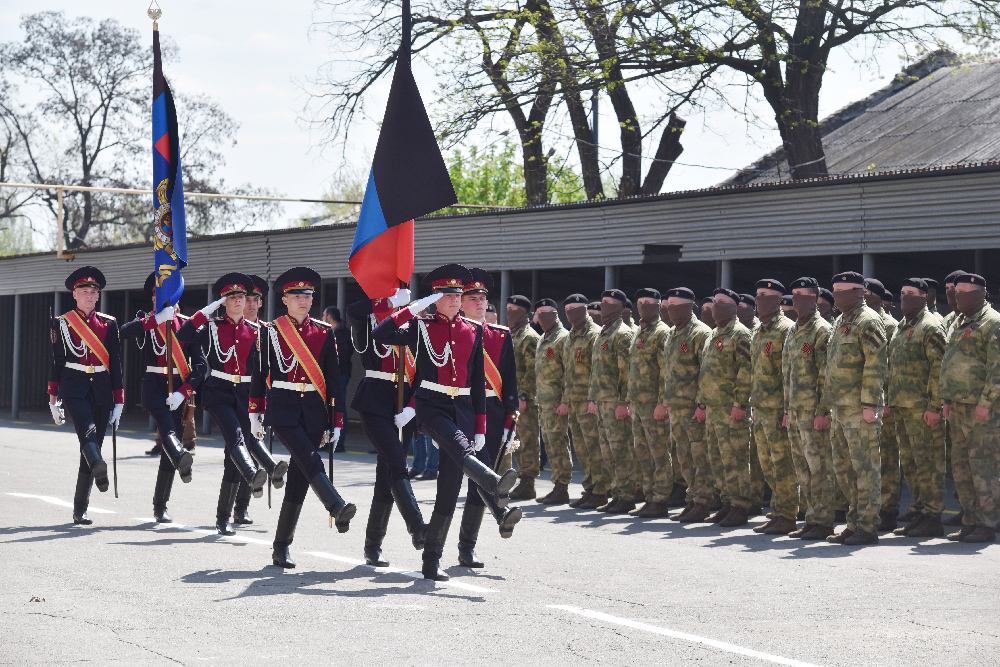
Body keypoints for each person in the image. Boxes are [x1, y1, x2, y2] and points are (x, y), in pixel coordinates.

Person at [372, 264, 517, 581]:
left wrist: (480, 427)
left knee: (449, 491)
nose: (454, 299)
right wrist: (412, 309)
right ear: (435, 299)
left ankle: (431, 560)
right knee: (457, 445)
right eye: (447, 295)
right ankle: (491, 481)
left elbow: (477, 383)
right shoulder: (421, 327)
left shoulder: (473, 330)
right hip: (431, 406)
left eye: (457, 294)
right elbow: (380, 334)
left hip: (463, 408)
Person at [251, 267, 355, 569]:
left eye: (307, 295)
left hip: (313, 409)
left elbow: (333, 381)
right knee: (310, 459)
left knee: (299, 479)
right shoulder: (270, 331)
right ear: (285, 299)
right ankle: (335, 505)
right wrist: (255, 411)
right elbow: (259, 374)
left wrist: (336, 420)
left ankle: (281, 548)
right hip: (282, 408)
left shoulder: (323, 332)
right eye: (296, 295)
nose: (303, 300)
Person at [176, 273, 269, 535]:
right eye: (233, 297)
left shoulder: (257, 331)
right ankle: (250, 476)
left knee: (234, 456)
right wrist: (205, 312)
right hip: (219, 392)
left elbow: (262, 371)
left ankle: (226, 516)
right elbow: (183, 334)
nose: (239, 301)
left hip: (246, 394)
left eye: (242, 297)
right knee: (236, 438)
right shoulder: (212, 326)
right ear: (224, 302)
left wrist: (262, 405)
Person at [347, 291, 427, 567]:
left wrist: (413, 408)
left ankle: (373, 546)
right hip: (375, 398)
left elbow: (424, 371)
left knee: (386, 477)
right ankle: (417, 527)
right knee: (396, 462)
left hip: (404, 403)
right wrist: (389, 303)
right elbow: (353, 310)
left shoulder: (414, 325)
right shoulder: (370, 320)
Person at [120, 273, 208, 524]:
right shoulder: (146, 321)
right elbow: (122, 332)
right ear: (153, 298)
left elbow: (200, 366)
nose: (165, 300)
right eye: (159, 296)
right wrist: (155, 320)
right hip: (154, 386)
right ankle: (181, 458)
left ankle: (161, 505)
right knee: (167, 430)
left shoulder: (187, 325)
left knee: (171, 444)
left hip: (179, 387)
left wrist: (184, 391)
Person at [455, 269, 522, 568]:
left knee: (478, 481)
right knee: (477, 472)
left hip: (493, 411)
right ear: (461, 303)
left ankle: (467, 547)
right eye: (473, 298)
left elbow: (510, 382)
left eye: (483, 298)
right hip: (463, 409)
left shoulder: (500, 335)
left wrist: (510, 421)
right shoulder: (455, 333)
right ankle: (500, 515)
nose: (480, 303)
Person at [48, 266, 125, 525]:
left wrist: (119, 400)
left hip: (102, 386)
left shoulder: (109, 323)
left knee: (91, 446)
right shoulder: (62, 323)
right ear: (74, 294)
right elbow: (56, 363)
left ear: (98, 296)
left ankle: (80, 508)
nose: (90, 296)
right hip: (73, 386)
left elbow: (115, 363)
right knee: (87, 431)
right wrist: (53, 399)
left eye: (94, 292)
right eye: (84, 291)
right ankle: (99, 466)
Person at [825, 271, 888, 546]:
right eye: (834, 290)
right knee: (844, 469)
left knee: (865, 469)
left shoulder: (868, 320)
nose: (836, 296)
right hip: (840, 408)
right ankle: (854, 522)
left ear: (858, 292)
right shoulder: (840, 321)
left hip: (860, 409)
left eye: (842, 291)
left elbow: (876, 364)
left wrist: (870, 404)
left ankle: (868, 526)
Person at [938, 272, 1000, 543]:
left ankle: (987, 524)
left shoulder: (992, 322)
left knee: (983, 468)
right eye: (957, 292)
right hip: (958, 407)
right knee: (961, 468)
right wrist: (947, 400)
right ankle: (970, 521)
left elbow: (997, 369)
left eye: (965, 292)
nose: (959, 296)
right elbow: (950, 363)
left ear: (980, 294)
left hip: (981, 409)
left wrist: (986, 403)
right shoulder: (960, 322)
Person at [888, 278, 947, 538]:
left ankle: (933, 517)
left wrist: (934, 405)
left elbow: (939, 368)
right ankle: (921, 510)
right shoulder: (902, 326)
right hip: (903, 406)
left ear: (924, 297)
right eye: (902, 293)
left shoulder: (930, 326)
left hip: (922, 408)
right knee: (911, 464)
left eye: (911, 293)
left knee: (928, 464)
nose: (905, 297)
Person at [230, 274, 289, 527]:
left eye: (256, 300)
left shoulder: (268, 332)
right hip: (236, 393)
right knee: (240, 448)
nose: (251, 304)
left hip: (259, 396)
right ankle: (236, 506)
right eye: (248, 299)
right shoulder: (234, 328)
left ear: (261, 303)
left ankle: (242, 506)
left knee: (249, 447)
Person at [783, 277, 835, 540]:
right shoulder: (794, 330)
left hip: (813, 412)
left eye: (801, 295)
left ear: (814, 298)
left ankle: (824, 520)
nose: (796, 299)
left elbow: (826, 375)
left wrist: (823, 411)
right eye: (793, 294)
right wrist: (786, 410)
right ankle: (811, 517)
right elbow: (787, 373)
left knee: (819, 468)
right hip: (794, 410)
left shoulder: (822, 330)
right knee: (803, 469)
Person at [697, 288, 753, 527]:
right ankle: (727, 502)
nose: (716, 306)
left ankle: (740, 506)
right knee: (718, 458)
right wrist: (702, 402)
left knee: (735, 459)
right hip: (713, 407)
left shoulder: (740, 334)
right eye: (714, 301)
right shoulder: (714, 334)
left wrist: (740, 404)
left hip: (730, 408)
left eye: (722, 302)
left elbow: (746, 371)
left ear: (734, 307)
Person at [659, 288, 714, 522]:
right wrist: (667, 402)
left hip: (694, 408)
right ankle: (691, 499)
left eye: (675, 305)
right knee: (683, 457)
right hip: (677, 407)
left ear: (688, 306)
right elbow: (668, 372)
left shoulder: (700, 333)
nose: (670, 310)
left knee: (700, 456)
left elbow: (707, 372)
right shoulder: (672, 334)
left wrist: (702, 404)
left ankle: (703, 502)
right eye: (668, 305)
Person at [749, 279, 798, 535]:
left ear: (778, 299)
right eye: (757, 294)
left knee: (783, 464)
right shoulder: (759, 331)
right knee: (767, 464)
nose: (759, 299)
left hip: (778, 409)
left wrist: (787, 409)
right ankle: (778, 511)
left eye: (765, 295)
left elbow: (790, 373)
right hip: (760, 408)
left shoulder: (786, 329)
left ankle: (788, 514)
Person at [587, 289, 638, 513]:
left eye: (608, 303)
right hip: (602, 401)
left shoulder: (623, 334)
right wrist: (593, 399)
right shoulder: (603, 333)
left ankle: (627, 495)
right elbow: (596, 370)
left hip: (615, 403)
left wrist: (623, 402)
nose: (603, 306)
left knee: (621, 451)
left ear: (619, 308)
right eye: (602, 302)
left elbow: (627, 373)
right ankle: (617, 493)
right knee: (608, 452)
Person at [627, 288, 673, 518]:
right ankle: (649, 496)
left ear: (658, 305)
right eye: (640, 302)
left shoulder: (662, 332)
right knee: (643, 453)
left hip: (654, 403)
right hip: (638, 403)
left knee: (659, 453)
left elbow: (666, 371)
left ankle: (661, 499)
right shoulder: (639, 332)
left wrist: (662, 402)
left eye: (648, 302)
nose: (643, 306)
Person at [560, 294, 607, 509]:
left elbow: (598, 370)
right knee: (581, 448)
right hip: (574, 401)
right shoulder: (571, 335)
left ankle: (601, 490)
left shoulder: (594, 334)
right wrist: (565, 399)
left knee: (594, 447)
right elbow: (567, 371)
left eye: (575, 309)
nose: (571, 313)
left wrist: (594, 399)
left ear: (585, 310)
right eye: (568, 310)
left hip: (588, 402)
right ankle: (590, 487)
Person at [865, 277, 900, 531]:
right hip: (866, 403)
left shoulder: (889, 325)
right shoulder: (860, 322)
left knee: (886, 458)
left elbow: (892, 367)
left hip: (883, 404)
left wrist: (887, 400)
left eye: (866, 294)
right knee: (868, 460)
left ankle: (888, 509)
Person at [532, 297, 573, 506]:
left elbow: (569, 372)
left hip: (557, 402)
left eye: (547, 313)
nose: (543, 317)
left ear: (556, 315)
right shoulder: (543, 338)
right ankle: (557, 485)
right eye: (540, 314)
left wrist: (564, 400)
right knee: (550, 444)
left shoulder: (562, 338)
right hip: (544, 401)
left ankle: (562, 486)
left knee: (559, 443)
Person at [508, 294, 541, 500]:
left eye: (513, 310)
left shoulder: (529, 337)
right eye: (507, 310)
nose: (509, 313)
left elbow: (532, 370)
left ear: (523, 312)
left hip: (525, 399)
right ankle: (522, 479)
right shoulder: (512, 335)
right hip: (513, 397)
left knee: (527, 440)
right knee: (517, 440)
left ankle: (529, 483)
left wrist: (523, 395)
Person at [322, 306, 354, 453]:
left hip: (340, 374)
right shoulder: (330, 332)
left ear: (329, 318)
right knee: (327, 406)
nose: (322, 318)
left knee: (338, 406)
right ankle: (327, 440)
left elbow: (343, 355)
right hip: (329, 375)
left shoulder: (343, 334)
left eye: (324, 316)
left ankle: (339, 442)